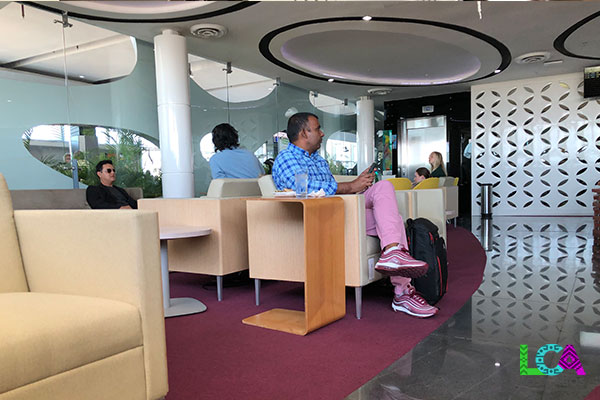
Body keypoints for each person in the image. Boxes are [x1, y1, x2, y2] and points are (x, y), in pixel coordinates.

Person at [272, 112, 438, 318]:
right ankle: (402, 292)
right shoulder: (287, 158)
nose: (322, 133)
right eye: (317, 129)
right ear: (305, 133)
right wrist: (350, 186)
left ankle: (394, 253)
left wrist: (357, 185)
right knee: (389, 220)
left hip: (341, 209)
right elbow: (303, 189)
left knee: (384, 188)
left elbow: (332, 190)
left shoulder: (319, 161)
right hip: (320, 218)